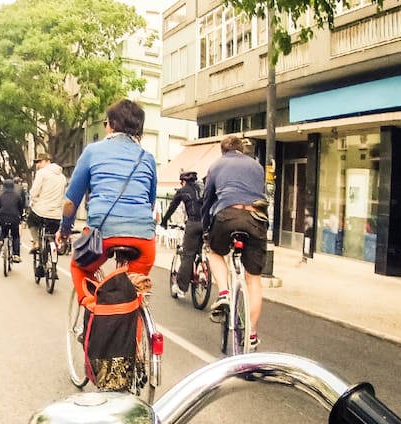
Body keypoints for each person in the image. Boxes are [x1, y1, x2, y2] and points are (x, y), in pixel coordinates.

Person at [57, 99, 158, 298]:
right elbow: (151, 202)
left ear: (111, 125)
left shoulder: (92, 151)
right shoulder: (147, 158)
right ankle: (136, 314)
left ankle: (94, 311)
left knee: (80, 268)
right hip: (144, 239)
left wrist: (65, 230)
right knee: (134, 292)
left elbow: (70, 202)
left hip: (102, 234)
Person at [202, 134, 267, 348]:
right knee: (253, 279)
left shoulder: (217, 165)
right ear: (242, 150)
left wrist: (205, 227)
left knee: (214, 252)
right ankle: (252, 334)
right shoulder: (257, 166)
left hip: (227, 216)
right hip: (256, 218)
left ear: (223, 150)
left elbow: (208, 199)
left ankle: (224, 294)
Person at [160, 171, 204, 299]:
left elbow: (172, 207)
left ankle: (181, 288)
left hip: (193, 223)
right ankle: (202, 271)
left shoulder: (183, 191)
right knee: (201, 251)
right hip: (207, 224)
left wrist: (164, 221)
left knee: (188, 255)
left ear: (183, 181)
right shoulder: (202, 189)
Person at [27, 151, 66, 264]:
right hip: (57, 215)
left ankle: (36, 242)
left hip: (41, 212)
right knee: (52, 235)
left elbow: (34, 192)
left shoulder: (42, 173)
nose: (37, 165)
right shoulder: (62, 177)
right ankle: (54, 254)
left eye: (39, 162)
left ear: (47, 161)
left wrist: (34, 202)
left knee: (31, 220)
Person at [0, 178, 26, 263]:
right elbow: (21, 209)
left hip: (2, 217)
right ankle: (16, 255)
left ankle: (0, 241)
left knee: (3, 230)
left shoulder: (2, 196)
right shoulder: (17, 196)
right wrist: (21, 218)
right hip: (14, 218)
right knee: (16, 235)